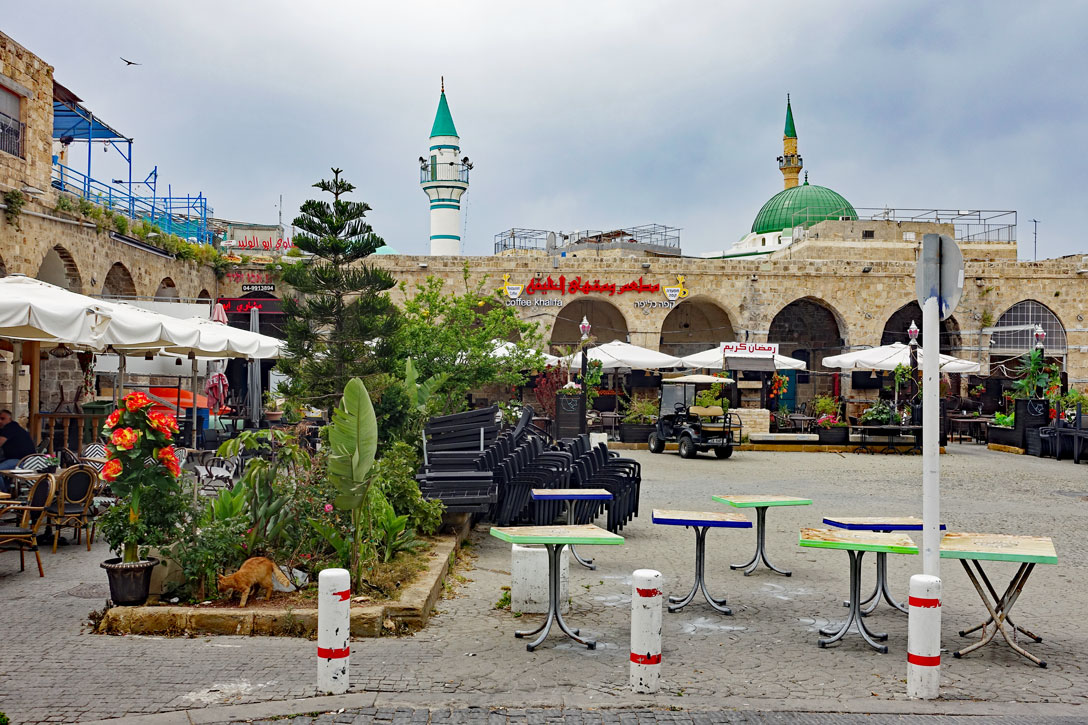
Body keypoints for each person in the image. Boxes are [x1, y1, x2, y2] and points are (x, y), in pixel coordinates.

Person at [0, 409, 36, 494]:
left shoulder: (11, 427)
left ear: (9, 419)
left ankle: (3, 494)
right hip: (18, 459)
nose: (0, 421)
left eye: (2, 418)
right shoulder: (10, 427)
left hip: (22, 460)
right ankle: (7, 491)